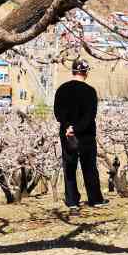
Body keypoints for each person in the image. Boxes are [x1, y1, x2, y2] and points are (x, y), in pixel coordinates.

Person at [53, 59, 107, 209]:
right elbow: (90, 115)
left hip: (67, 134)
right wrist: (76, 128)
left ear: (73, 71)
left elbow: (58, 113)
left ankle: (72, 201)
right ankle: (95, 199)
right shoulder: (90, 91)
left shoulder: (62, 89)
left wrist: (68, 127)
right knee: (89, 167)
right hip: (86, 134)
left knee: (69, 166)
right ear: (86, 72)